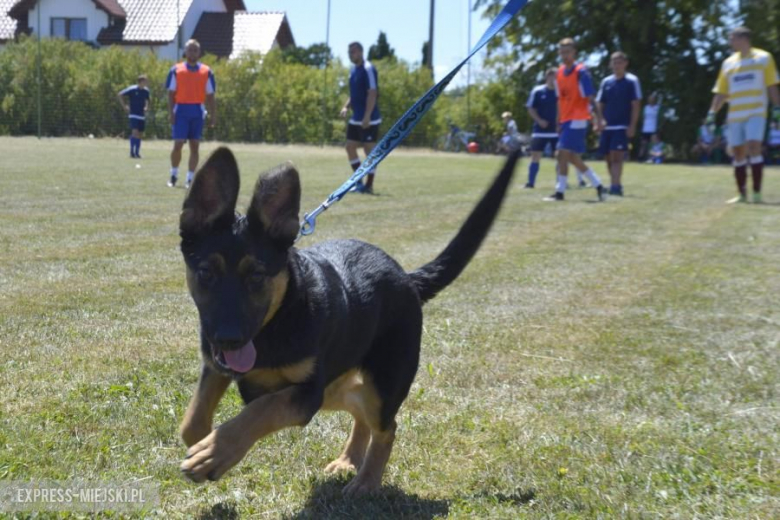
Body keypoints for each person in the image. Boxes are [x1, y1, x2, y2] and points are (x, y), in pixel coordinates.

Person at [707, 26, 780, 203]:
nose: (729, 42)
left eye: (732, 38)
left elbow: (771, 85)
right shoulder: (728, 63)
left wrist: (777, 108)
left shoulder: (764, 58)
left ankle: (757, 193)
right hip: (735, 115)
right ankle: (741, 194)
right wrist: (711, 113)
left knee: (754, 146)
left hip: (756, 111)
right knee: (738, 152)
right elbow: (721, 92)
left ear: (743, 39)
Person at [544, 38, 606, 202]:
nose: (565, 55)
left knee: (561, 153)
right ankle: (599, 185)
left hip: (578, 118)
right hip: (566, 120)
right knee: (571, 157)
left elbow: (591, 98)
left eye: (568, 52)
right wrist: (558, 121)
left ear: (574, 53)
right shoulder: (559, 73)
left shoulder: (581, 72)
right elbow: (559, 100)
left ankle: (560, 192)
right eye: (562, 52)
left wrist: (599, 119)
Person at [165, 39, 216, 189]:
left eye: (195, 50)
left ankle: (190, 179)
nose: (192, 52)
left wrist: (213, 115)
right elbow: (170, 93)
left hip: (197, 111)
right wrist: (171, 112)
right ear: (185, 52)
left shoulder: (206, 71)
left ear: (199, 53)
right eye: (190, 49)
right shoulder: (176, 70)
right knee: (178, 144)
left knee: (195, 146)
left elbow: (211, 95)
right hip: (180, 110)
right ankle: (173, 175)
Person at [596, 51, 642, 196]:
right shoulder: (606, 82)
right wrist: (599, 120)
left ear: (625, 63)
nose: (617, 65)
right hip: (607, 126)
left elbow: (636, 104)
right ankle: (615, 183)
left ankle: (615, 186)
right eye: (614, 62)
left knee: (617, 156)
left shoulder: (632, 81)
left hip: (622, 126)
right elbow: (600, 103)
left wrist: (632, 125)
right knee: (608, 158)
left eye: (619, 62)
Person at [340, 42, 381, 194]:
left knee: (369, 151)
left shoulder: (368, 69)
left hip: (370, 118)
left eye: (353, 51)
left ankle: (368, 186)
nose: (351, 54)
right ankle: (358, 182)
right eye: (349, 52)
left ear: (361, 52)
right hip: (356, 118)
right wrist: (346, 107)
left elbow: (372, 93)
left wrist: (367, 116)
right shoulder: (353, 70)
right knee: (350, 147)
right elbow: (355, 94)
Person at [524, 68, 558, 188]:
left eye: (555, 76)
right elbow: (530, 108)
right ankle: (530, 183)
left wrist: (560, 123)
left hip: (557, 131)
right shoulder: (537, 91)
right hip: (539, 131)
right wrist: (539, 121)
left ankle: (561, 183)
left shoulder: (561, 92)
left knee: (560, 157)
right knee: (535, 156)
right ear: (546, 77)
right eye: (551, 76)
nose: (553, 79)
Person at [117, 75, 150, 158]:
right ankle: (132, 153)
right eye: (145, 81)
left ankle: (137, 153)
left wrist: (146, 107)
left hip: (141, 115)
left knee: (140, 134)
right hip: (133, 115)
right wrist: (124, 106)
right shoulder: (132, 89)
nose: (147, 82)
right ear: (140, 82)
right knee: (135, 133)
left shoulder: (146, 91)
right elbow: (120, 94)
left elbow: (147, 100)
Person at [639, 92, 660, 161]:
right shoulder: (645, 108)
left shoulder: (657, 108)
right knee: (643, 144)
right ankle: (640, 158)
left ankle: (652, 158)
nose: (651, 100)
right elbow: (642, 118)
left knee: (653, 145)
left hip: (653, 129)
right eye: (650, 99)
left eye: (652, 98)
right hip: (645, 129)